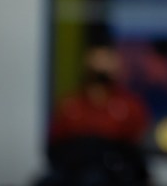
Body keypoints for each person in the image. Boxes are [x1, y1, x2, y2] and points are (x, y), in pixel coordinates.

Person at [40, 43, 151, 186]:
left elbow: (138, 151)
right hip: (74, 175)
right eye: (97, 60)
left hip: (116, 175)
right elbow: (54, 148)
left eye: (107, 60)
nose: (101, 66)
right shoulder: (70, 104)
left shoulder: (131, 105)